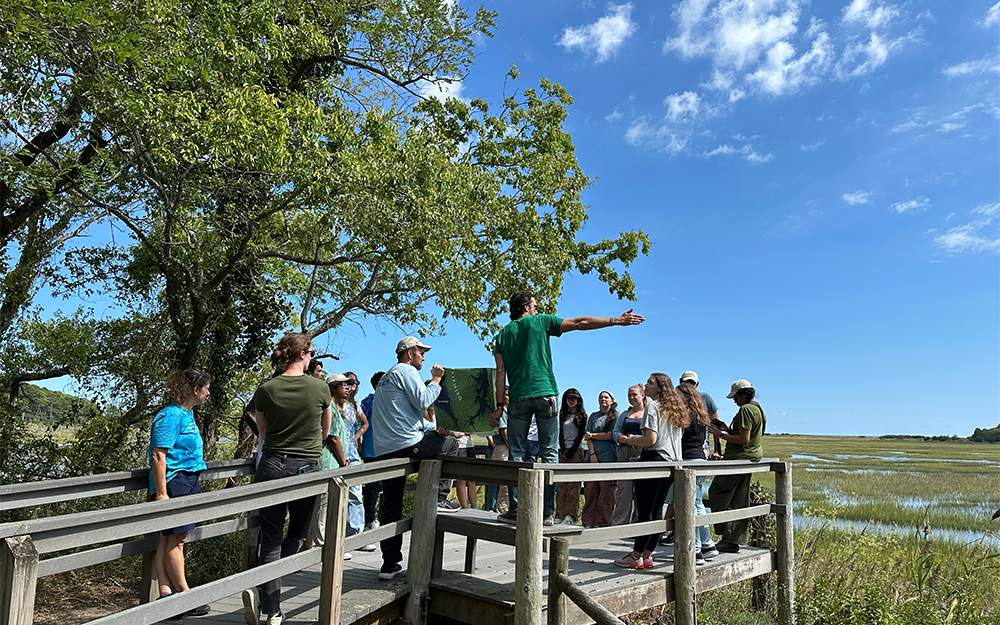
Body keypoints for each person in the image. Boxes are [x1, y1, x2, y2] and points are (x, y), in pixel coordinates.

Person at [490, 291, 645, 526]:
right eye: (534, 305)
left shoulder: (502, 335)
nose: (536, 308)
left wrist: (500, 405)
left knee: (517, 454)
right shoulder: (540, 321)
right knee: (550, 453)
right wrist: (615, 320)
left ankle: (515, 509)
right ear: (526, 306)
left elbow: (500, 372)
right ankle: (547, 513)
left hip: (519, 397)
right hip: (545, 394)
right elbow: (579, 323)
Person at [243, 333, 331, 625]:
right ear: (304, 354)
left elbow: (263, 430)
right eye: (311, 352)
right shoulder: (320, 388)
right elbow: (326, 432)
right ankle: (275, 580)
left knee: (269, 539)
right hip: (306, 468)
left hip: (271, 466)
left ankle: (271, 609)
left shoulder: (266, 389)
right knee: (297, 533)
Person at [371, 337, 465, 581]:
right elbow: (424, 401)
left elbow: (406, 416)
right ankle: (440, 498)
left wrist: (432, 428)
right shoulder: (407, 371)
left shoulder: (386, 377)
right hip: (407, 446)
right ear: (410, 353)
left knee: (391, 504)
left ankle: (389, 565)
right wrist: (436, 380)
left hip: (386, 450)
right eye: (421, 352)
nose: (424, 357)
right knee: (451, 444)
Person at [148, 368, 211, 617]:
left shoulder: (187, 414)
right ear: (196, 390)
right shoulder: (171, 416)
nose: (208, 393)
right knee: (177, 540)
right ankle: (184, 596)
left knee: (167, 539)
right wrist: (162, 493)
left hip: (188, 478)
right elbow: (157, 454)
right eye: (206, 388)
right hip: (175, 482)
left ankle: (166, 595)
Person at [613, 373, 687, 570]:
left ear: (660, 388)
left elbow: (650, 440)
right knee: (656, 511)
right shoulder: (675, 409)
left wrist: (630, 440)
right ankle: (647, 555)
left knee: (645, 511)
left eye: (650, 382)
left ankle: (635, 555)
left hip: (654, 460)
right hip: (672, 463)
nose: (646, 384)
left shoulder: (652, 407)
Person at [708, 379, 766, 553]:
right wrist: (727, 429)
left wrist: (721, 435)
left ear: (743, 394)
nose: (734, 400)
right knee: (738, 499)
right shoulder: (758, 409)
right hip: (750, 458)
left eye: (735, 396)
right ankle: (731, 540)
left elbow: (744, 439)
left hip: (739, 458)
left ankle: (723, 532)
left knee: (717, 491)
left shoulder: (746, 410)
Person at [674, 376, 718, 561]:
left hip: (689, 459)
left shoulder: (686, 415)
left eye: (678, 396)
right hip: (700, 458)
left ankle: (697, 549)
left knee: (691, 504)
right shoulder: (701, 415)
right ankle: (707, 545)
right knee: (698, 503)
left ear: (686, 396)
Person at [309, 375, 350, 556]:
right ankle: (324, 545)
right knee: (323, 504)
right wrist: (343, 461)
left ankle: (314, 543)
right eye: (344, 385)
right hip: (329, 462)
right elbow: (333, 438)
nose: (348, 388)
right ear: (333, 388)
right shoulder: (330, 408)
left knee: (324, 504)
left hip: (333, 462)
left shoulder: (334, 408)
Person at [582, 391, 618, 528]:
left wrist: (593, 435)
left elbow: (610, 435)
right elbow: (587, 436)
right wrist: (592, 454)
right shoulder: (593, 416)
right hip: (592, 458)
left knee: (607, 493)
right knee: (590, 491)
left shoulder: (616, 416)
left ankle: (602, 523)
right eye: (601, 397)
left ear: (611, 400)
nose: (603, 399)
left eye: (606, 397)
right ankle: (588, 522)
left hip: (609, 457)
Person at [611, 383, 646, 525]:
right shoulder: (625, 414)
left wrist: (637, 439)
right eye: (629, 395)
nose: (631, 397)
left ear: (643, 395)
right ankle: (619, 523)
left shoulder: (648, 413)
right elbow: (615, 431)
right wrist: (623, 438)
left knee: (640, 490)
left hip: (641, 453)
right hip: (624, 452)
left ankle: (638, 523)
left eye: (635, 395)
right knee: (623, 490)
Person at [339, 372, 368, 538]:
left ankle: (356, 535)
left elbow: (365, 423)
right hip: (336, 453)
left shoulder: (355, 406)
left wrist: (356, 437)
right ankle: (336, 535)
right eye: (348, 382)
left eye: (355, 382)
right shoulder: (333, 404)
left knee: (355, 495)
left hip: (352, 454)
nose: (352, 385)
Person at [555, 388, 587, 524]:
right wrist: (563, 449)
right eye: (568, 398)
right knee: (561, 484)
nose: (571, 401)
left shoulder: (582, 416)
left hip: (576, 451)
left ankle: (570, 516)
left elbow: (580, 436)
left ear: (578, 400)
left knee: (573, 485)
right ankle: (559, 515)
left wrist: (571, 450)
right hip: (563, 451)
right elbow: (560, 434)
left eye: (573, 398)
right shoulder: (563, 415)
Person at [359, 372, 385, 533]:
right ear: (377, 385)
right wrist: (358, 441)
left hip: (387, 449)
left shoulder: (390, 402)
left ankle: (376, 517)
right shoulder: (369, 402)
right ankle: (369, 519)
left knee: (383, 486)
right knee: (373, 486)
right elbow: (359, 424)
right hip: (371, 449)